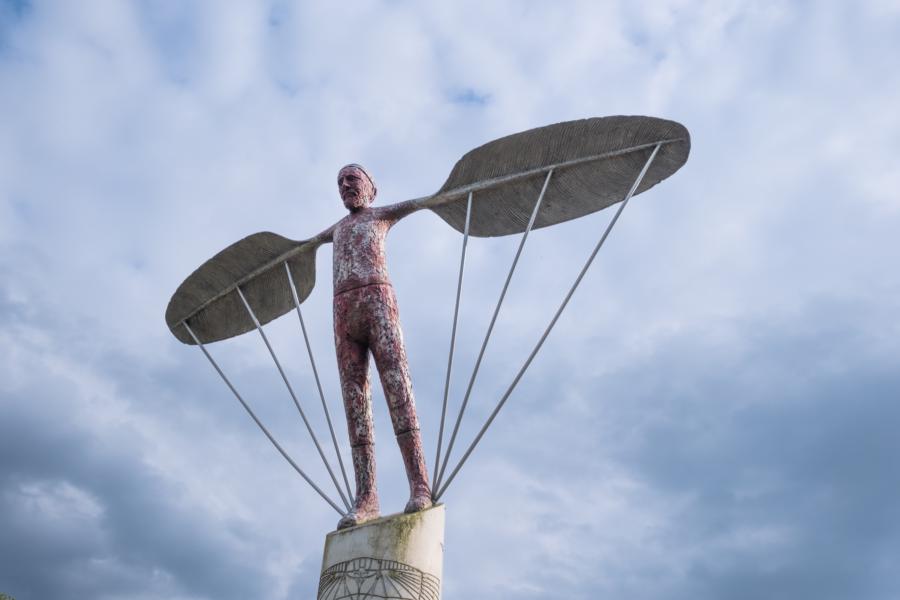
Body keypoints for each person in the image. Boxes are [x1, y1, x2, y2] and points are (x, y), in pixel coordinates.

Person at [322, 164, 432, 529]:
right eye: (340, 182)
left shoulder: (382, 215)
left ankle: (420, 485)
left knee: (397, 388)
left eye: (352, 179)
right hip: (342, 311)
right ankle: (366, 497)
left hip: (377, 300)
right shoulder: (336, 230)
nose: (345, 186)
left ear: (372, 187)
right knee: (355, 404)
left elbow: (420, 203)